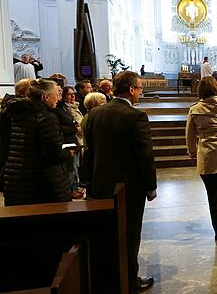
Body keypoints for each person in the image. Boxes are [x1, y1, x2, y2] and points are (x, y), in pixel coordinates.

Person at [82, 71, 157, 293]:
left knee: (106, 231)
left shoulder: (95, 114)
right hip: (128, 187)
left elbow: (90, 151)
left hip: (99, 184)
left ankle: (107, 277)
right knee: (130, 233)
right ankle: (129, 279)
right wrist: (150, 186)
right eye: (140, 88)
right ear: (131, 89)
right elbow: (145, 155)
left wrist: (85, 182)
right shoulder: (135, 116)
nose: (141, 92)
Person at [1, 79, 72, 206]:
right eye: (56, 95)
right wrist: (69, 152)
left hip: (17, 177)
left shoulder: (16, 113)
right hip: (42, 182)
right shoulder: (46, 118)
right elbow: (52, 154)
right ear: (46, 97)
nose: (58, 98)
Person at [186, 76, 217, 245]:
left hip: (207, 156)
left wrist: (192, 151)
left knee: (213, 197)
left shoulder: (195, 109)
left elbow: (190, 134)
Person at [0, 78, 34, 192]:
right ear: (21, 92)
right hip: (14, 155)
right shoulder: (15, 108)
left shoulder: (14, 107)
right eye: (32, 89)